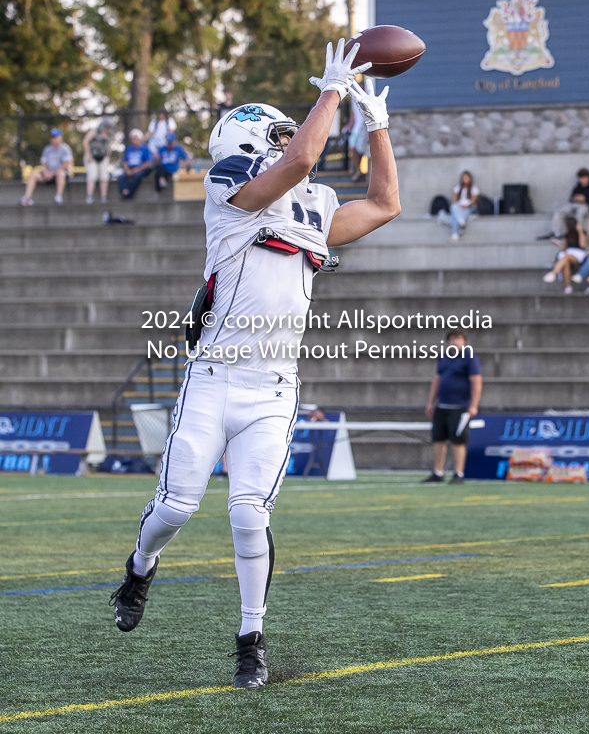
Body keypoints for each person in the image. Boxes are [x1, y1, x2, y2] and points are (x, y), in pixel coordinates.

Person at [108, 40, 399, 689]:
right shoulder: (228, 183)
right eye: (276, 130)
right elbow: (298, 159)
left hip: (273, 388)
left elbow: (384, 204)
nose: (287, 138)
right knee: (177, 507)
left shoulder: (314, 204)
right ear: (250, 137)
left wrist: (377, 128)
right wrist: (331, 90)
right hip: (214, 380)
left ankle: (251, 639)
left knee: (249, 513)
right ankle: (139, 568)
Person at [423, 330, 482, 484]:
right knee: (439, 439)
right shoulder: (444, 357)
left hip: (460, 406)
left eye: (458, 339)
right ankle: (438, 472)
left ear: (464, 341)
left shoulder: (469, 358)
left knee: (458, 440)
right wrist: (431, 402)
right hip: (442, 405)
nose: (454, 342)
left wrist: (474, 405)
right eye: (452, 339)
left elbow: (476, 381)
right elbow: (437, 379)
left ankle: (459, 473)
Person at [540, 168, 589, 239]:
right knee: (560, 211)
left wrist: (585, 199)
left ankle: (577, 231)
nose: (582, 180)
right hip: (574, 204)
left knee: (580, 212)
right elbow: (570, 200)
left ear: (588, 178)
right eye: (581, 178)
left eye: (584, 178)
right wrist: (575, 199)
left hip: (586, 205)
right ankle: (557, 232)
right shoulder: (577, 188)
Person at [20, 128, 73, 207]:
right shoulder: (47, 149)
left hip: (59, 173)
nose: (53, 139)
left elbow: (65, 164)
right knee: (33, 174)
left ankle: (58, 197)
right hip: (48, 174)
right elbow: (44, 163)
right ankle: (27, 198)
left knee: (60, 173)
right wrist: (45, 172)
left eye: (55, 137)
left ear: (60, 137)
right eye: (52, 137)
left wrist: (53, 173)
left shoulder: (65, 148)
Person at [542, 217, 587, 294]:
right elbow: (564, 249)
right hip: (568, 253)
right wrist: (558, 244)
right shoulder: (567, 235)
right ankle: (568, 287)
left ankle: (553, 273)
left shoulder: (582, 233)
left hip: (578, 254)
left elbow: (583, 245)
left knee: (566, 256)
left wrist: (580, 231)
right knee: (566, 262)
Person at [83, 117, 115, 204]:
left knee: (104, 177)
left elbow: (109, 145)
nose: (108, 128)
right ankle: (89, 197)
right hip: (92, 157)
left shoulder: (109, 134)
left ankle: (103, 197)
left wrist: (108, 155)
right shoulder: (95, 131)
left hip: (103, 158)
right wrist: (88, 154)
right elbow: (85, 141)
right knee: (92, 176)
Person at [117, 129, 153, 199]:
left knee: (137, 176)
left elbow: (148, 163)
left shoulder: (145, 149)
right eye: (133, 139)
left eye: (136, 139)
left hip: (140, 169)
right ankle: (124, 191)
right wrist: (127, 170)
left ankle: (130, 193)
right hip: (130, 168)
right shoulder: (128, 149)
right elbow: (125, 162)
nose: (134, 141)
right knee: (122, 177)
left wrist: (135, 170)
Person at [449, 171, 479, 242]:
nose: (465, 180)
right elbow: (454, 200)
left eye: (466, 178)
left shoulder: (474, 189)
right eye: (464, 178)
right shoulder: (457, 188)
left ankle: (455, 233)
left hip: (469, 208)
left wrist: (466, 206)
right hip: (459, 207)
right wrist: (460, 206)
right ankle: (461, 222)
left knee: (455, 216)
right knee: (454, 207)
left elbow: (473, 200)